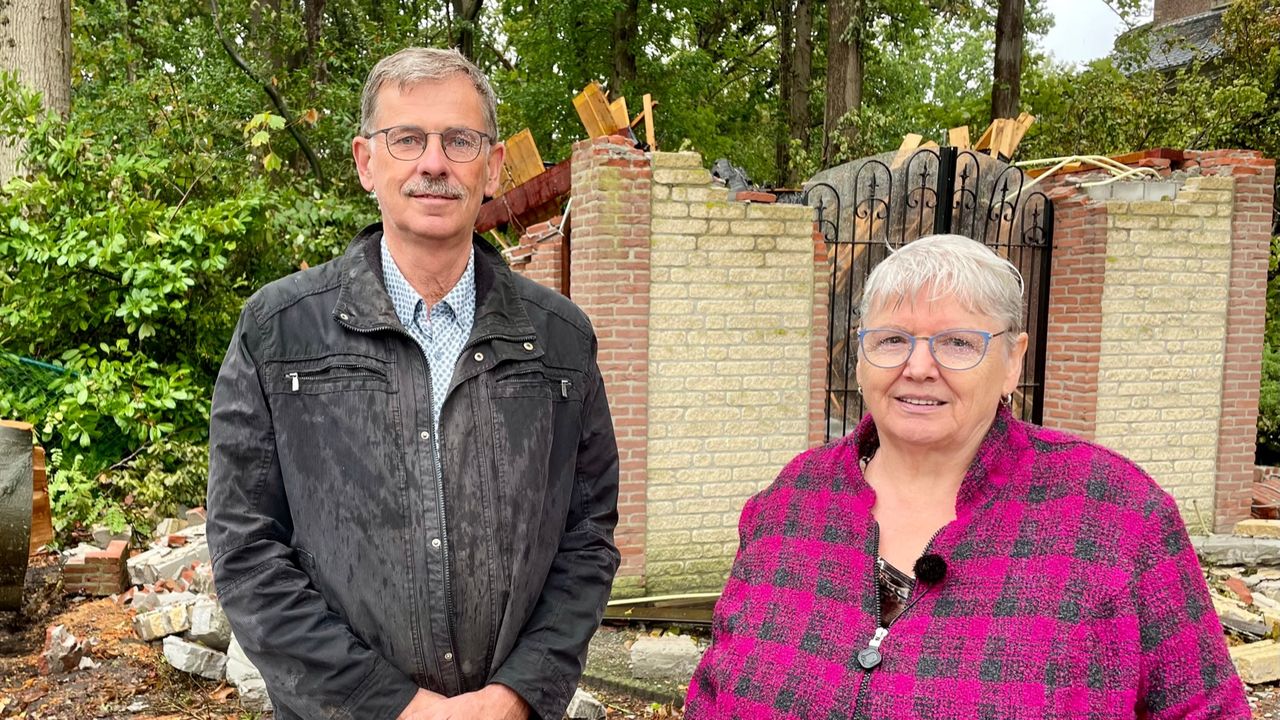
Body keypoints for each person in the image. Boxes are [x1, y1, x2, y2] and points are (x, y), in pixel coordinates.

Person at [206, 47, 620, 720]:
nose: (434, 164)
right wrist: (394, 707)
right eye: (408, 139)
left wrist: (515, 697)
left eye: (460, 140)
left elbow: (587, 536)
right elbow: (246, 548)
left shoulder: (560, 342)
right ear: (367, 162)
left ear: (490, 167)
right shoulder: (279, 331)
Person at [684, 234, 1248, 719]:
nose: (919, 367)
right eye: (892, 340)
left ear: (1012, 361)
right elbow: (713, 695)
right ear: (860, 357)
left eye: (957, 342)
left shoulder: (1117, 515)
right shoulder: (791, 501)